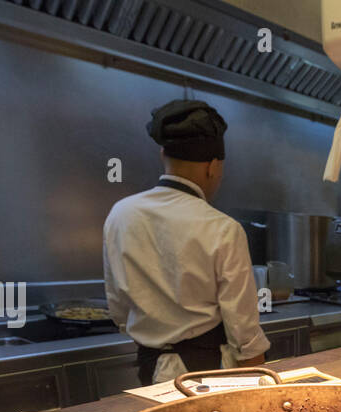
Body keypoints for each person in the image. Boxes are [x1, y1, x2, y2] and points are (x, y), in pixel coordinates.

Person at [104, 99, 269, 387]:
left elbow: (118, 308)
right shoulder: (223, 228)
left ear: (162, 155)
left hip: (150, 369)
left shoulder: (120, 214)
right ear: (213, 167)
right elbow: (244, 332)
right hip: (206, 375)